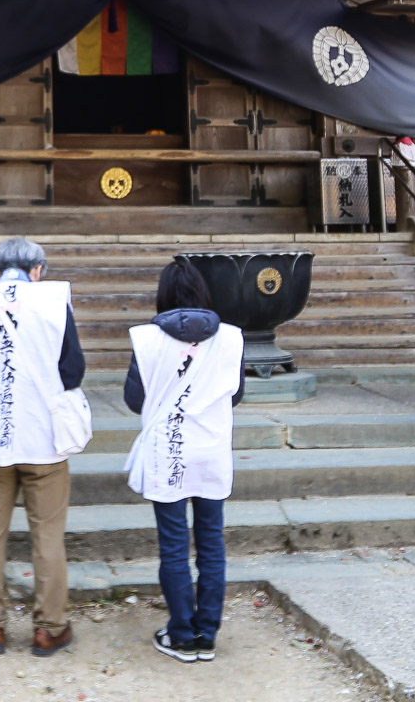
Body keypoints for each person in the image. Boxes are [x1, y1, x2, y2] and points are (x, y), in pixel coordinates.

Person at [0, 237, 85, 656]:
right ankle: (49, 628)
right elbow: (73, 370)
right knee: (48, 536)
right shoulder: (53, 302)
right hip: (43, 439)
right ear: (38, 271)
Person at [122, 259, 244, 663]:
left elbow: (134, 399)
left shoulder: (146, 338)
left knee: (174, 546)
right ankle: (207, 633)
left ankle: (181, 633)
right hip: (210, 448)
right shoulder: (230, 338)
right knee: (211, 541)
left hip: (167, 450)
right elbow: (236, 394)